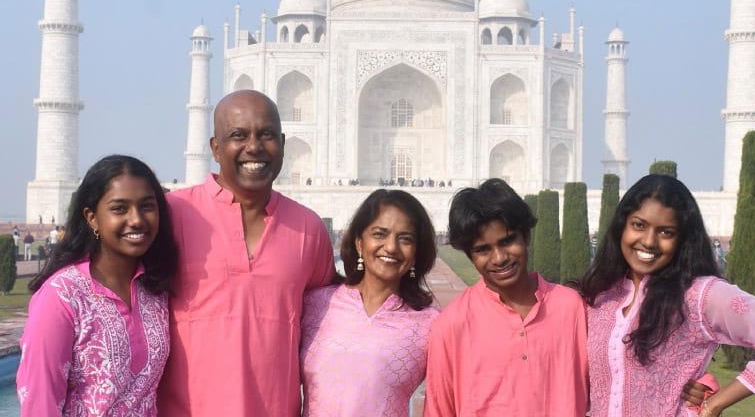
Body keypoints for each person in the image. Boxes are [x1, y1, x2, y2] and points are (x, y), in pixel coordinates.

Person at [157, 90, 335, 416]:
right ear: (215, 148)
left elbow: (330, 324)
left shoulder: (308, 229)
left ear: (282, 142)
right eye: (238, 135)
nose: (254, 146)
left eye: (266, 134)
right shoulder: (174, 214)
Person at [579, 174, 755, 416]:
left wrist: (713, 404)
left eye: (666, 232)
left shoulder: (698, 296)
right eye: (639, 225)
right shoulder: (600, 297)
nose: (649, 241)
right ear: (621, 226)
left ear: (682, 239)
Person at [16, 155, 178, 415]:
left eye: (147, 206)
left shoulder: (154, 290)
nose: (136, 219)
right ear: (92, 218)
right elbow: (39, 401)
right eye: (119, 208)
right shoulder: (63, 296)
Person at [424, 178, 589, 416]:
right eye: (483, 249)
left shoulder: (570, 308)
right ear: (470, 255)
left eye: (508, 241)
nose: (499, 257)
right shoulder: (452, 325)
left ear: (526, 237)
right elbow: (439, 410)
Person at [300, 189, 439, 416]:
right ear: (359, 243)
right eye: (379, 234)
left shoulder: (430, 323)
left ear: (415, 253)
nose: (391, 247)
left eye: (405, 239)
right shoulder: (316, 304)